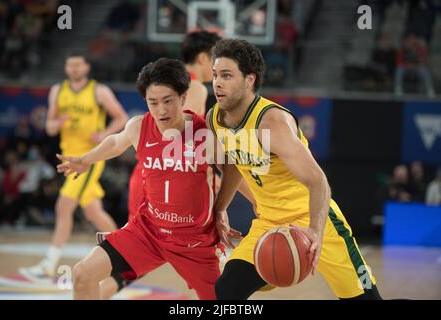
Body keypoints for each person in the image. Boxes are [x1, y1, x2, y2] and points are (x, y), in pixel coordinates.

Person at [208, 39, 382, 300]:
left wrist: (315, 231)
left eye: (226, 75)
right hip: (268, 223)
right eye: (214, 75)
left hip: (312, 221)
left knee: (364, 298)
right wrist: (220, 207)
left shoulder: (272, 122)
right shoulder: (216, 118)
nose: (217, 83)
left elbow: (318, 182)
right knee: (225, 292)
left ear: (249, 80)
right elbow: (234, 162)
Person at [58, 58, 236, 300]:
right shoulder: (139, 127)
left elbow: (234, 170)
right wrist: (87, 159)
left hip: (194, 242)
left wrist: (225, 208)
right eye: (153, 102)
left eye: (168, 101)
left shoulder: (204, 133)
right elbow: (115, 143)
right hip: (148, 232)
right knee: (82, 274)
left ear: (183, 98)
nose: (161, 110)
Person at [96, 31, 223, 299]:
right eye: (216, 60)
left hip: (148, 178)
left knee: (138, 261)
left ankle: (100, 285)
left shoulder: (168, 84)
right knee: (157, 251)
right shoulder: (195, 89)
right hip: (164, 184)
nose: (218, 68)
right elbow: (190, 151)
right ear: (203, 58)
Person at [19, 52, 128, 280]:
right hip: (69, 158)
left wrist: (104, 134)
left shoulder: (99, 91)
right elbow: (49, 128)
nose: (75, 69)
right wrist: (57, 123)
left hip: (89, 159)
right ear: (66, 68)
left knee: (63, 207)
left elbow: (121, 118)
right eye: (71, 65)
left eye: (78, 65)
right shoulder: (58, 91)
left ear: (86, 67)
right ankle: (126, 255)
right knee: (94, 211)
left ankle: (49, 264)